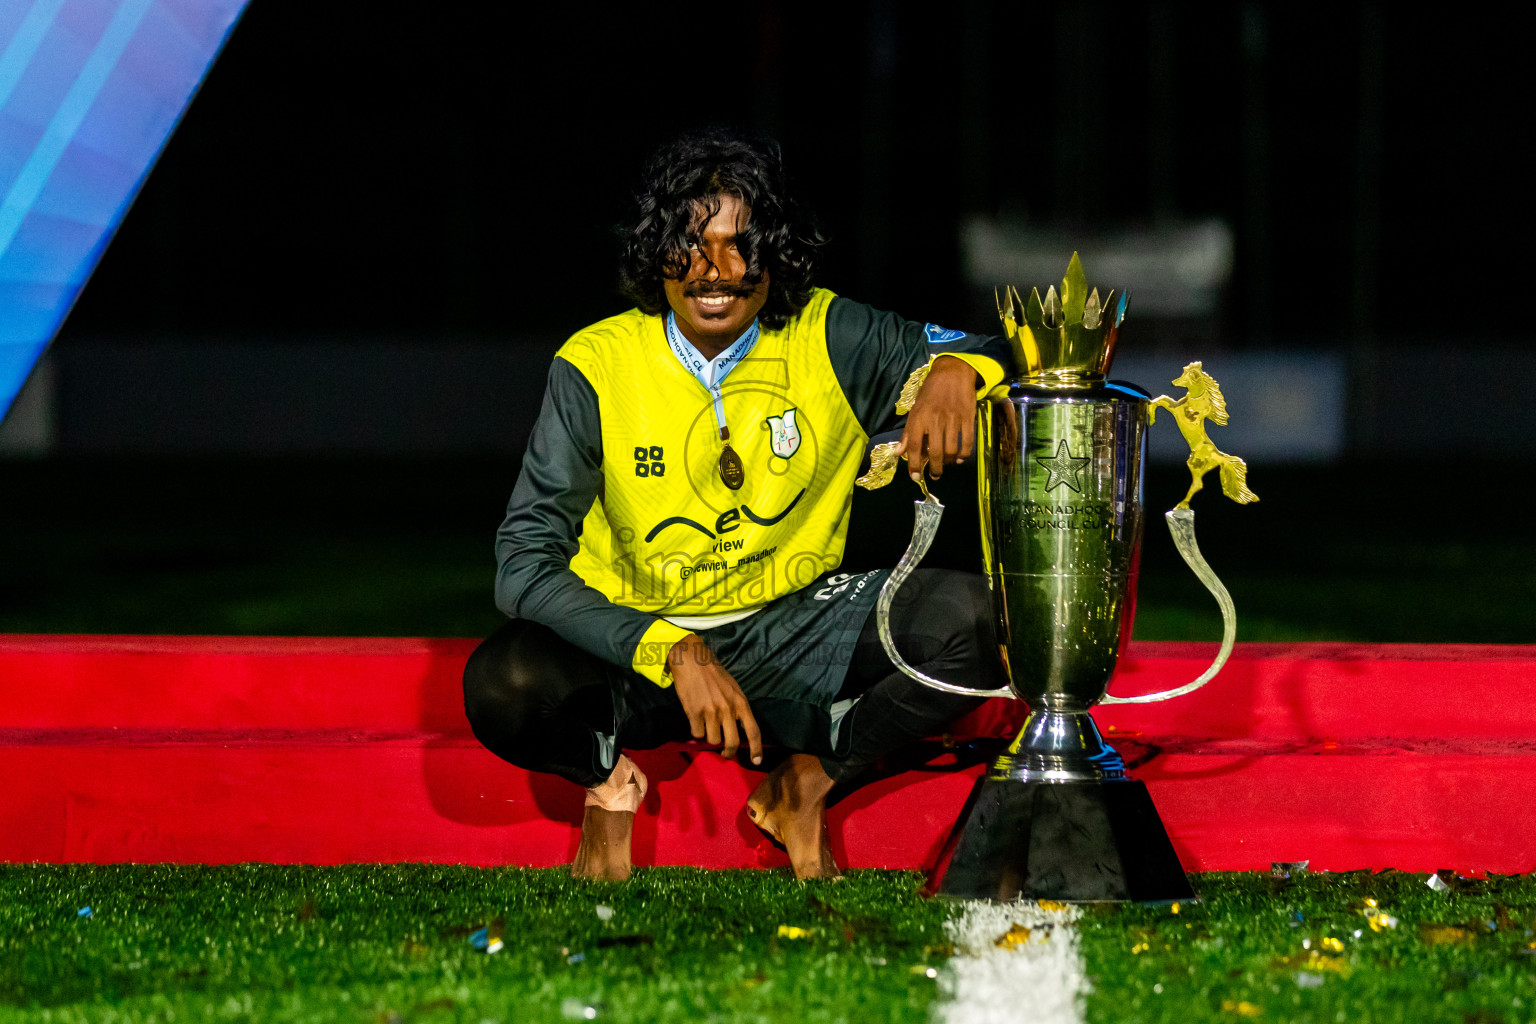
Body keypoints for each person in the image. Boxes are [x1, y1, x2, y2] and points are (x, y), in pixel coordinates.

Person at [462, 127, 1013, 881]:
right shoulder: (595, 363)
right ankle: (608, 784)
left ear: (774, 251)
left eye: (739, 243)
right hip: (638, 649)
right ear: (656, 253)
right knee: (505, 682)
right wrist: (674, 650)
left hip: (788, 624)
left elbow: (1009, 344)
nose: (713, 270)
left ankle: (809, 780)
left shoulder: (828, 331)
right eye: (688, 243)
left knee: (992, 624)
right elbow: (522, 565)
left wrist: (958, 366)